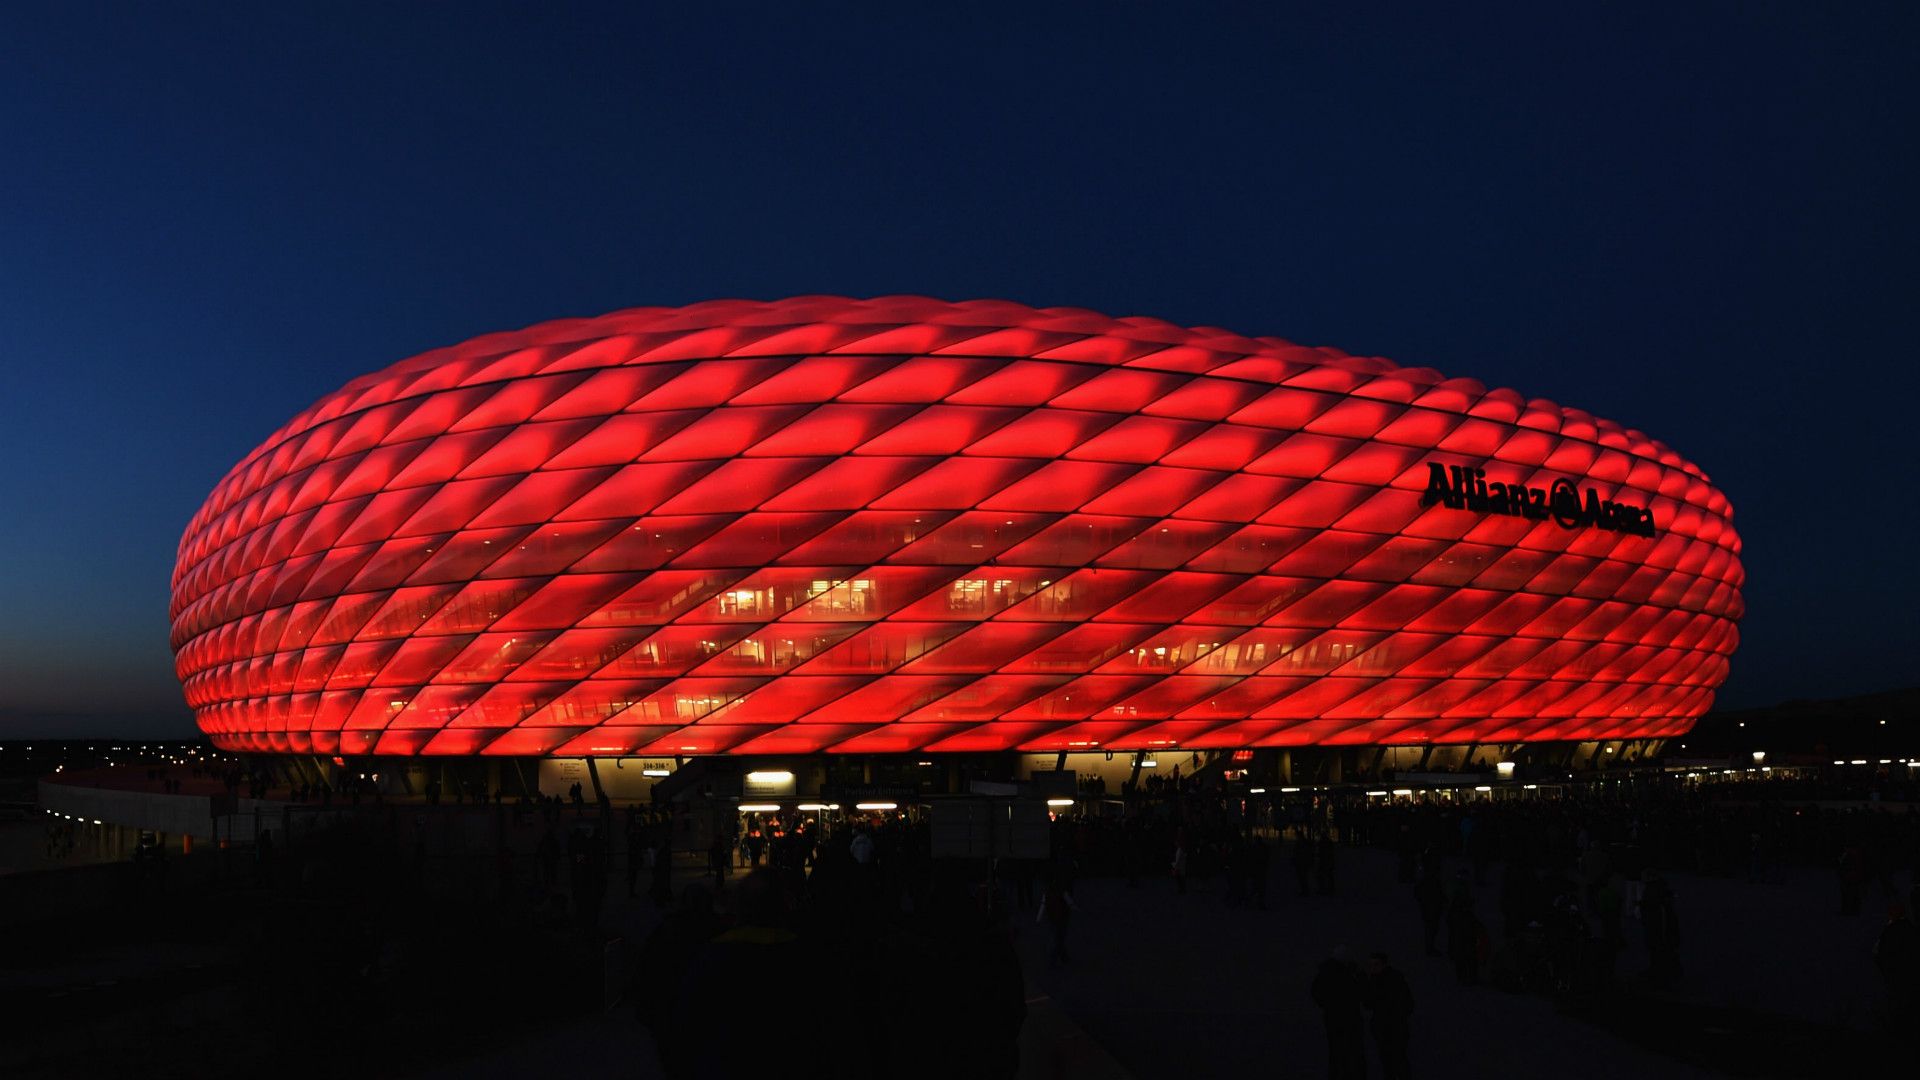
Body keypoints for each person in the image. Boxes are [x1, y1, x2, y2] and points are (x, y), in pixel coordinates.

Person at [1311, 947, 1367, 1080]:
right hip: (1347, 1018)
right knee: (1349, 1053)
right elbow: (1361, 991)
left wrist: (1328, 1005)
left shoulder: (1327, 972)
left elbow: (1317, 993)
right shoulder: (1348, 973)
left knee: (1338, 1052)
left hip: (1336, 1018)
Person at [1364, 952, 1413, 1080]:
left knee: (1397, 1060)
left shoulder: (1392, 981)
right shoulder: (1376, 980)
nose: (1373, 968)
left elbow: (1408, 1004)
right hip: (1385, 1027)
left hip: (1394, 1026)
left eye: (1376, 964)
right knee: (1390, 1060)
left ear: (1384, 964)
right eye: (1371, 965)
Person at [1873, 900, 1918, 1022]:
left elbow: (1879, 952)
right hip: (1906, 976)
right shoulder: (1910, 929)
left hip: (1897, 976)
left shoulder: (1892, 930)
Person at [1642, 869, 1681, 987]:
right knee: (1661, 950)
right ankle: (1663, 972)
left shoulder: (1654, 891)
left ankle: (1662, 975)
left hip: (1659, 928)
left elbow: (1658, 911)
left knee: (1660, 949)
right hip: (1659, 926)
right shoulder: (1658, 890)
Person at [1038, 874, 1077, 963]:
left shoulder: (1048, 893)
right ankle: (1059, 956)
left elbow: (1042, 906)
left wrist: (1039, 918)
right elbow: (1070, 903)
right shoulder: (1060, 891)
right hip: (1059, 918)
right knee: (1058, 938)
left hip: (1055, 918)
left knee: (1058, 938)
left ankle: (1061, 956)